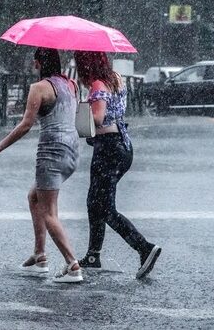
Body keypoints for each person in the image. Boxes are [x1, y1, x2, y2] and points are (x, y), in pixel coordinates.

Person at [0, 47, 83, 283]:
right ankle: (39, 256)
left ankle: (72, 265)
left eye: (34, 62)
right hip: (71, 152)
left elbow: (26, 125)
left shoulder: (38, 88)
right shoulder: (72, 85)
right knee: (34, 197)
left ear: (38, 63)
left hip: (51, 153)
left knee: (49, 212)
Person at [74, 50, 161, 279]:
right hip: (122, 146)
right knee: (95, 201)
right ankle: (93, 255)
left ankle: (144, 247)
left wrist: (80, 112)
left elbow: (98, 118)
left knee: (105, 207)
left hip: (108, 149)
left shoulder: (98, 85)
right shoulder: (116, 78)